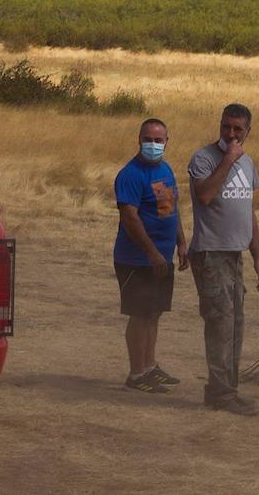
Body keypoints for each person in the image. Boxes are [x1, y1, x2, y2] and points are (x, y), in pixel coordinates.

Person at [187, 103, 259, 416]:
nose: (231, 134)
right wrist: (227, 161)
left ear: (248, 131)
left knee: (235, 324)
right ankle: (220, 392)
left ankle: (227, 390)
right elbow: (205, 195)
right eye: (226, 127)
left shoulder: (248, 163)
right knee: (220, 323)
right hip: (211, 252)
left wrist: (258, 258)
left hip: (235, 253)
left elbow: (248, 211)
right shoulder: (204, 159)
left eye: (238, 129)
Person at [113, 117, 187, 393]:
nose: (153, 145)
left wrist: (181, 243)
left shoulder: (165, 170)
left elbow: (171, 210)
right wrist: (152, 252)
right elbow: (130, 218)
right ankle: (136, 373)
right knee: (139, 315)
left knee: (154, 313)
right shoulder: (131, 174)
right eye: (148, 139)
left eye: (158, 140)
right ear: (139, 140)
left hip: (162, 257)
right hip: (136, 259)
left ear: (167, 142)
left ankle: (150, 366)